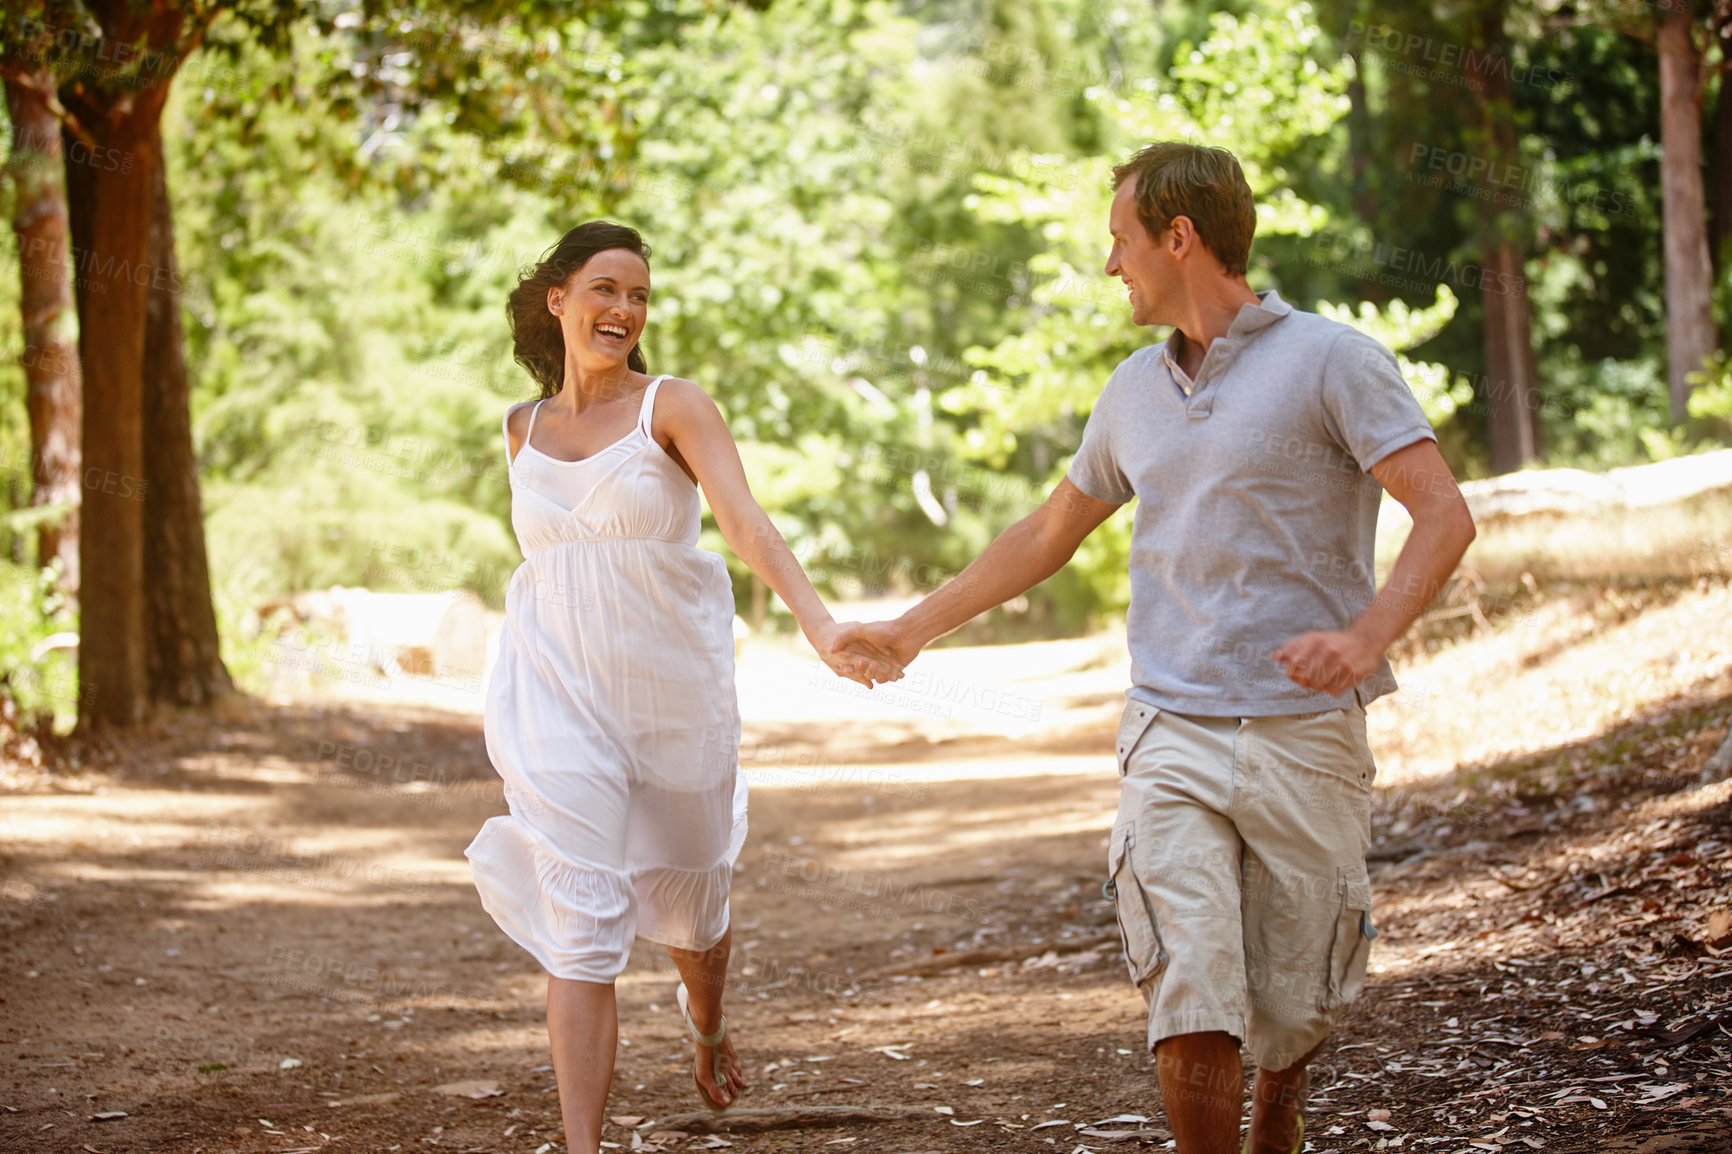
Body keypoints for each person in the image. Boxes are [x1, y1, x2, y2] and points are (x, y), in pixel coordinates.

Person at [833, 142, 1477, 1154]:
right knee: (1187, 974)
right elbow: (1048, 533)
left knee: (1296, 990)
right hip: (1169, 724)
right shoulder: (1132, 387)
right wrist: (913, 630)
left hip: (1305, 732)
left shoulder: (1333, 360)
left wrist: (1366, 634)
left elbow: (1441, 514)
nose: (1108, 265)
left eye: (1119, 241)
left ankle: (1278, 1107)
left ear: (1179, 237)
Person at [466, 221, 898, 1153]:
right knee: (581, 920)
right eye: (605, 289)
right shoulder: (520, 429)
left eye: (639, 296)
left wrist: (820, 624)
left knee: (694, 907)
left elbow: (743, 521)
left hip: (670, 696)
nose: (624, 309)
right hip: (555, 698)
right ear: (558, 299)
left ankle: (705, 1020)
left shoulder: (674, 405)